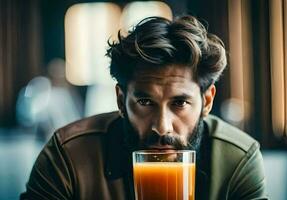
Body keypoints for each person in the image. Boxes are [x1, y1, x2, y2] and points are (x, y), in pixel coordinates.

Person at [20, 15, 268, 199]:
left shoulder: (238, 159)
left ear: (207, 101)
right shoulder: (67, 156)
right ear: (120, 100)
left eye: (179, 103)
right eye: (145, 102)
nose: (162, 127)